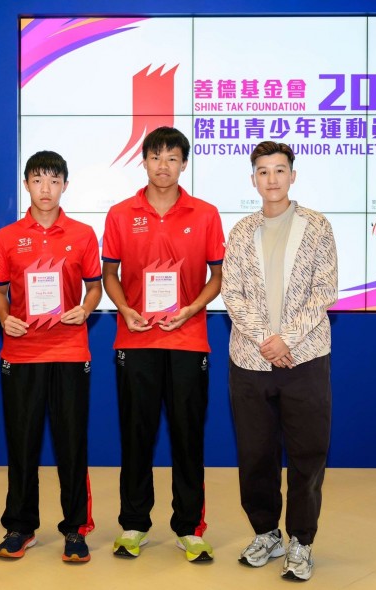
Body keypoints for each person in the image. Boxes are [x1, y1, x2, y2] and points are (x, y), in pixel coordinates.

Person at [102, 127, 225, 563]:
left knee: (187, 436)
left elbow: (218, 276)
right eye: (156, 157)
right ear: (145, 161)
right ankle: (134, 524)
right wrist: (124, 309)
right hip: (134, 338)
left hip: (189, 340)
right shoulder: (120, 214)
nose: (163, 165)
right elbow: (109, 274)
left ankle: (190, 527)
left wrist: (192, 309)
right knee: (136, 434)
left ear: (184, 164)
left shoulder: (206, 214)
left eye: (173, 158)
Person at [221, 141, 338, 581]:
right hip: (250, 360)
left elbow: (324, 290)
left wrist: (285, 339)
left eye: (279, 170)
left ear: (293, 175)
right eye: (263, 171)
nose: (272, 178)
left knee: (308, 453)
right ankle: (266, 532)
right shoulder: (241, 231)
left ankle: (301, 542)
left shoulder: (316, 226)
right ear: (253, 179)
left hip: (305, 357)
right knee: (255, 454)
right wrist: (267, 340)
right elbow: (232, 293)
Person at [0, 150, 102, 563]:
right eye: (38, 180)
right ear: (27, 185)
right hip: (20, 354)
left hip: (70, 351)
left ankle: (75, 528)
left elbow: (94, 286)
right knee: (22, 444)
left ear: (65, 186)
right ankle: (20, 526)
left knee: (71, 443)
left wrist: (86, 309)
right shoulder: (6, 237)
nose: (46, 189)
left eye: (54, 181)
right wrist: (4, 319)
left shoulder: (84, 233)